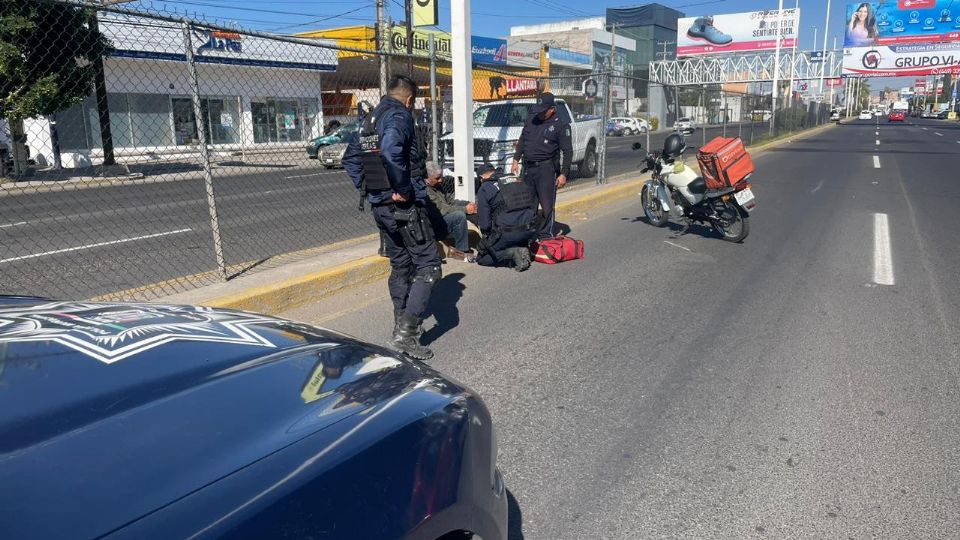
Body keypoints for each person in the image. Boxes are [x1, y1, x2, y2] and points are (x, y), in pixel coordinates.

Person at [343, 75, 441, 360]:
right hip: (404, 205)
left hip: (380, 206)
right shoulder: (399, 115)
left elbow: (350, 159)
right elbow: (390, 151)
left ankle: (400, 326)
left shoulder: (369, 120)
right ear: (409, 99)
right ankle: (405, 335)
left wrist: (373, 189)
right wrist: (399, 188)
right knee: (429, 265)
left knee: (401, 265)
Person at [511, 92, 573, 240]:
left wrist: (564, 173)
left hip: (546, 169)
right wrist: (515, 159)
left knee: (546, 205)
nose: (539, 113)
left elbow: (567, 151)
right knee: (528, 204)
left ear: (552, 109)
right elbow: (523, 138)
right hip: (529, 168)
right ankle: (529, 234)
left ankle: (545, 235)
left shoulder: (560, 124)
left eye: (543, 110)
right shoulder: (532, 118)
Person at [475, 164, 535, 271]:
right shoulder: (517, 180)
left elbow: (485, 225)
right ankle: (522, 248)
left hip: (508, 233)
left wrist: (487, 238)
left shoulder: (485, 188)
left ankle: (512, 253)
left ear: (481, 178)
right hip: (529, 230)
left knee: (482, 257)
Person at [424, 161, 477, 261]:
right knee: (459, 216)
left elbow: (451, 201)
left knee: (465, 211)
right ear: (427, 178)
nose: (441, 180)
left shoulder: (437, 186)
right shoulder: (425, 191)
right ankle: (461, 251)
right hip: (432, 227)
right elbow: (442, 209)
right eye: (437, 178)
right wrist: (465, 209)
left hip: (441, 222)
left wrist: (468, 204)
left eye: (441, 177)